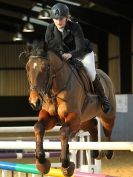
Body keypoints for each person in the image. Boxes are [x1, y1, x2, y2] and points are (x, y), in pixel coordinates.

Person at [45, 3, 111, 113]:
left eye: (61, 18)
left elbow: (80, 48)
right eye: (55, 19)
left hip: (82, 54)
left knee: (91, 73)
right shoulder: (50, 29)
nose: (58, 21)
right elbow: (50, 47)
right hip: (63, 56)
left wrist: (70, 54)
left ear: (66, 17)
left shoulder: (75, 27)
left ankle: (103, 99)